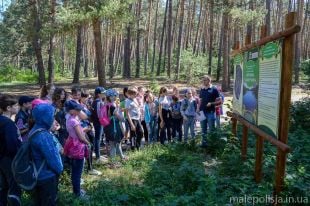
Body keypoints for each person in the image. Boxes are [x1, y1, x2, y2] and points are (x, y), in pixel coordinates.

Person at [29, 103, 63, 206]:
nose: (53, 118)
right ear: (45, 117)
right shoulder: (43, 136)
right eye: (51, 116)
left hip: (37, 174)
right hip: (46, 177)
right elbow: (54, 160)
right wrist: (60, 169)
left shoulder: (34, 129)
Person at [64, 100, 90, 198]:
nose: (79, 111)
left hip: (72, 145)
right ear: (71, 110)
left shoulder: (69, 118)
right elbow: (81, 137)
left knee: (75, 170)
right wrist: (88, 143)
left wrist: (82, 129)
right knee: (77, 172)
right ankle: (77, 193)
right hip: (77, 147)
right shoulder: (74, 121)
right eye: (77, 109)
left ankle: (77, 190)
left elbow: (75, 132)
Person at [0, 94, 22, 206]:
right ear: (8, 108)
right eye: (16, 105)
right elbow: (12, 145)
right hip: (9, 159)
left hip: (2, 158)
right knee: (14, 186)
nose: (18, 107)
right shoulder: (8, 124)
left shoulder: (2, 120)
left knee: (4, 186)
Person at [104, 89, 127, 161]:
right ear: (109, 97)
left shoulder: (107, 104)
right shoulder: (112, 106)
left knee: (117, 143)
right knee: (113, 145)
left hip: (109, 126)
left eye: (115, 95)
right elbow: (118, 116)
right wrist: (124, 119)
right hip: (114, 127)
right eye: (112, 96)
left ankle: (122, 157)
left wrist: (118, 105)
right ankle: (113, 162)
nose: (114, 97)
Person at [199, 75, 221, 147]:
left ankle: (212, 145)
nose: (203, 81)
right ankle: (204, 144)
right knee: (203, 129)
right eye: (203, 80)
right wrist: (198, 109)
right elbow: (200, 100)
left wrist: (211, 103)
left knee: (211, 129)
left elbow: (220, 101)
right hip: (202, 112)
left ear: (209, 81)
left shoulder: (214, 89)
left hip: (211, 112)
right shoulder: (202, 89)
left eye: (205, 80)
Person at [91, 87, 106, 163]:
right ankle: (98, 156)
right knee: (98, 139)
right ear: (98, 94)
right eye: (103, 93)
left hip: (98, 122)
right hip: (98, 122)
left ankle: (98, 154)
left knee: (98, 138)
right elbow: (98, 114)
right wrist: (102, 121)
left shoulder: (98, 101)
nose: (104, 94)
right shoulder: (98, 102)